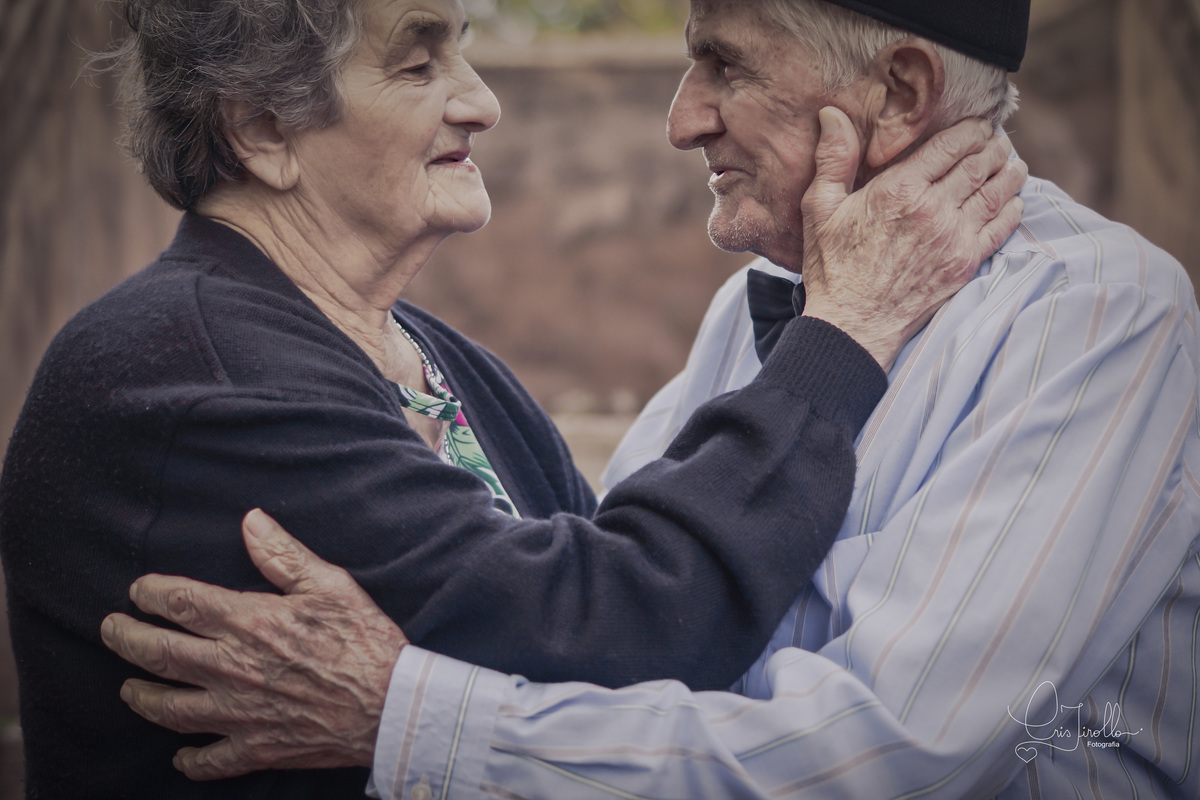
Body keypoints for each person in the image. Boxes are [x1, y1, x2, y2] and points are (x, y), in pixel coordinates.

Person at [102, 0, 1200, 797]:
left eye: (725, 65)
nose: (683, 121)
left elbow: (896, 754)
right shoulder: (768, 307)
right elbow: (624, 606)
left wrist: (406, 714)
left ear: (901, 91)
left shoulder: (1095, 312)